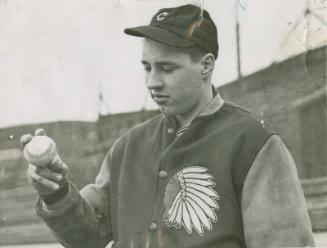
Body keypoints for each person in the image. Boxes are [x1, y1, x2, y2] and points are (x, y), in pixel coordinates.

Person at [20, 4, 315, 248]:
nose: (152, 82)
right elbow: (88, 237)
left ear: (206, 66)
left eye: (167, 68)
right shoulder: (129, 146)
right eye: (147, 67)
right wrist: (56, 191)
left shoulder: (254, 143)